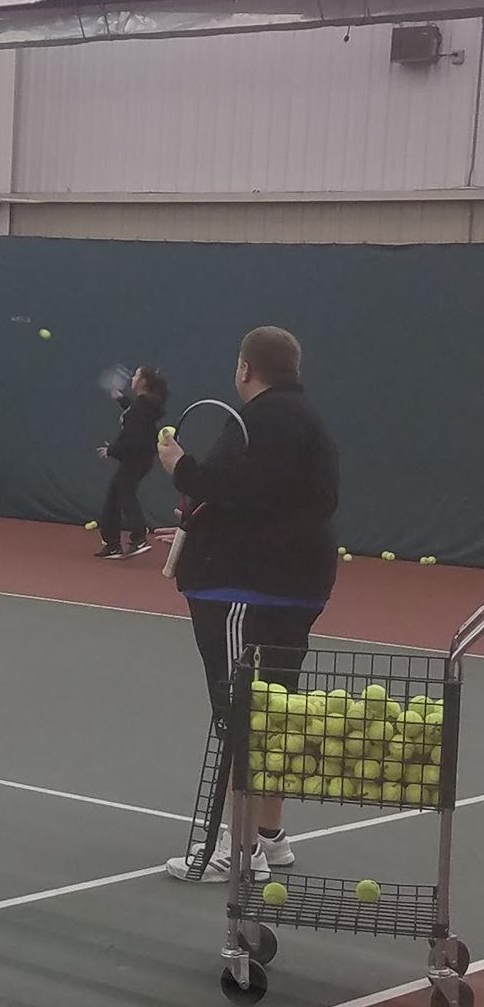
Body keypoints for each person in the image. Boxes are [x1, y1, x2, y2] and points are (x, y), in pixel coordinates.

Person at [155, 326, 339, 883]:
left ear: (244, 369)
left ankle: (235, 850)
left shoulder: (263, 421)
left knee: (240, 717)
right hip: (290, 588)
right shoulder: (307, 422)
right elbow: (274, 498)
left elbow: (236, 490)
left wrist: (178, 465)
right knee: (272, 715)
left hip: (245, 592)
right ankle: (269, 837)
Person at [95, 366, 168, 560]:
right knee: (115, 497)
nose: (133, 378)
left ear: (143, 382)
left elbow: (137, 439)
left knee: (124, 493)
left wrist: (112, 450)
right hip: (137, 459)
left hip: (136, 460)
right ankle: (112, 545)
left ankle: (139, 537)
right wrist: (120, 398)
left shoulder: (141, 408)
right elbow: (136, 413)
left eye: (136, 375)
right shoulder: (143, 405)